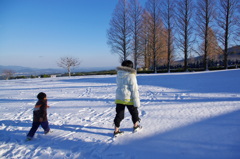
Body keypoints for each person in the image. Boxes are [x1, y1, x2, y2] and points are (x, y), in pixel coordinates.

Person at [113, 60, 141, 136]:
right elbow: (134, 89)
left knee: (119, 114)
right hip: (129, 98)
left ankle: (116, 130)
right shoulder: (131, 75)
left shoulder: (119, 74)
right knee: (134, 112)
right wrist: (137, 101)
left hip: (119, 97)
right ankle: (136, 126)